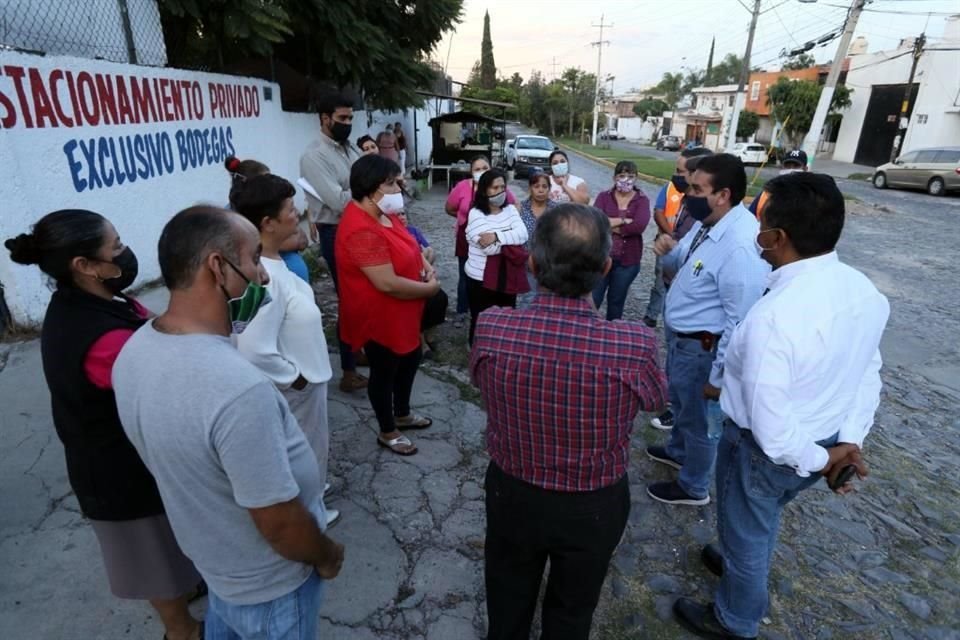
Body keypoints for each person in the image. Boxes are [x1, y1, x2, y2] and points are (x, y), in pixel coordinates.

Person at [673, 173, 889, 640]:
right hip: (822, 438)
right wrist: (848, 440)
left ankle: (735, 618)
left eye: (758, 220)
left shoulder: (773, 319)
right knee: (760, 519)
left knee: (747, 530)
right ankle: (736, 566)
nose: (753, 230)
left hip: (770, 451)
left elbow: (771, 430)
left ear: (775, 238)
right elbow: (867, 370)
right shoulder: (863, 291)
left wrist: (824, 457)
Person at [114, 206, 345, 640]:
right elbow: (279, 524)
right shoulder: (237, 388)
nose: (261, 276)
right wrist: (326, 553)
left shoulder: (136, 350)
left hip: (221, 570)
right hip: (271, 588)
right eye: (255, 258)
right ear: (217, 268)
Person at [471, 203, 668, 640]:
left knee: (507, 597)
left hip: (513, 489)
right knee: (573, 610)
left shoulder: (493, 327)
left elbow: (480, 381)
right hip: (592, 503)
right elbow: (656, 401)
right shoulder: (634, 344)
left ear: (534, 265)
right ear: (606, 268)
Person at [4, 211, 203, 640]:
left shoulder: (100, 300)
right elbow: (166, 379)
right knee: (153, 557)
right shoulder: (98, 338)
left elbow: (151, 327)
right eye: (115, 246)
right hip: (117, 470)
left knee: (170, 539)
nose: (124, 252)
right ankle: (181, 631)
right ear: (85, 265)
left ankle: (186, 589)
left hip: (134, 454)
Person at [646, 153, 769, 507]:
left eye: (698, 189)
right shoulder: (708, 223)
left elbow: (738, 320)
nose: (688, 195)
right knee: (683, 405)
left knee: (701, 420)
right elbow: (681, 261)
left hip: (705, 348)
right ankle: (678, 450)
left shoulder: (741, 245)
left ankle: (693, 484)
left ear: (723, 194)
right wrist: (666, 250)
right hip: (684, 341)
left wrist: (717, 378)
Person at [231, 173, 340, 528]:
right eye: (291, 209)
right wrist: (295, 379)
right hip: (295, 387)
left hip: (305, 379)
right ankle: (309, 520)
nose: (298, 214)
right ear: (268, 223)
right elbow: (253, 349)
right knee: (301, 455)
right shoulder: (266, 278)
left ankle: (313, 501)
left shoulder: (274, 264)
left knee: (311, 452)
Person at [335, 154, 440, 456]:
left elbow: (407, 240)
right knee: (385, 370)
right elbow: (386, 283)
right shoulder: (360, 228)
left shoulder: (384, 213)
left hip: (404, 309)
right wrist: (428, 288)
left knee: (410, 358)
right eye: (392, 183)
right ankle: (387, 430)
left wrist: (425, 265)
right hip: (378, 315)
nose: (399, 188)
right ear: (371, 188)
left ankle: (402, 413)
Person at [300, 92, 367, 393]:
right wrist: (368, 189)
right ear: (325, 119)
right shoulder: (315, 156)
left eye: (350, 118)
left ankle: (357, 349)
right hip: (335, 231)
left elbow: (364, 181)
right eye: (342, 118)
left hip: (359, 228)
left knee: (363, 295)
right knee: (350, 299)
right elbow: (339, 201)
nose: (347, 123)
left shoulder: (347, 148)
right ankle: (348, 372)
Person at [648, 149, 713, 431]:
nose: (678, 177)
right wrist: (669, 250)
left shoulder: (711, 218)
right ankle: (675, 412)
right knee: (673, 356)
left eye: (683, 172)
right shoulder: (692, 207)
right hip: (672, 290)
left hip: (695, 319)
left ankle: (678, 413)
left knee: (687, 371)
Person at [643, 147, 713, 329]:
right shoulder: (685, 199)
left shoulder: (708, 213)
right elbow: (659, 212)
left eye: (680, 172)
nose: (676, 176)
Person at [445, 155, 517, 323]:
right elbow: (449, 208)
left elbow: (514, 206)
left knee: (489, 273)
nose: (481, 172)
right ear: (471, 172)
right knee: (465, 276)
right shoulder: (462, 187)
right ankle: (462, 310)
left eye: (484, 168)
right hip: (466, 238)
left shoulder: (499, 188)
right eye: (477, 169)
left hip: (493, 239)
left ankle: (488, 309)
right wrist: (465, 218)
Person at [464, 169, 529, 345]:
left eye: (503, 187)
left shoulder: (510, 210)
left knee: (506, 319)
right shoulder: (475, 213)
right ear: (485, 190)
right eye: (495, 187)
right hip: (480, 278)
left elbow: (523, 234)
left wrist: (496, 236)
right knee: (481, 319)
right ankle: (476, 351)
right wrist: (508, 236)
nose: (500, 191)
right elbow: (489, 249)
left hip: (506, 276)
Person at [225, 155, 311, 284]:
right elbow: (293, 242)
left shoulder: (276, 214)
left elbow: (302, 241)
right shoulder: (267, 278)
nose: (297, 213)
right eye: (266, 181)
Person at [591, 160, 651, 321]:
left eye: (630, 176)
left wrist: (609, 224)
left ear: (636, 178)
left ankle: (612, 334)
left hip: (627, 261)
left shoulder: (642, 200)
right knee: (593, 300)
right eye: (622, 175)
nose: (626, 180)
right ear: (614, 178)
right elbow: (596, 221)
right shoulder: (604, 196)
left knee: (616, 301)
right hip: (601, 258)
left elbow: (639, 226)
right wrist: (624, 221)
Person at [516, 170, 557, 307]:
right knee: (528, 301)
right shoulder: (520, 209)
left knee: (548, 302)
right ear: (530, 188)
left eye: (544, 187)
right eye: (536, 186)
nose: (540, 190)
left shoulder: (556, 211)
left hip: (550, 267)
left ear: (549, 189)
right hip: (526, 265)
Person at [748, 148, 808, 219]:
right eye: (787, 166)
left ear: (805, 169)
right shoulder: (766, 194)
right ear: (782, 168)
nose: (791, 169)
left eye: (796, 166)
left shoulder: (811, 198)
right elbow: (749, 217)